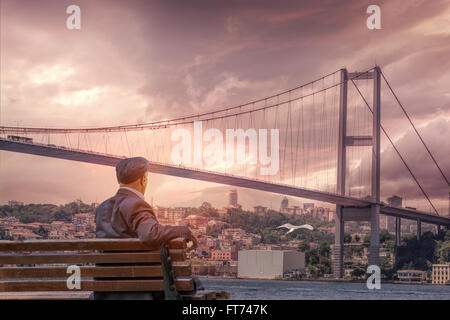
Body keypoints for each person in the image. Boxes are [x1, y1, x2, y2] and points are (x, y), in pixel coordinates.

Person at [92, 156, 201, 300]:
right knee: (195, 284)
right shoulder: (137, 204)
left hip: (104, 291)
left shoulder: (101, 208)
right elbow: (150, 234)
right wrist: (183, 231)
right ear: (144, 179)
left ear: (119, 180)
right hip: (139, 291)